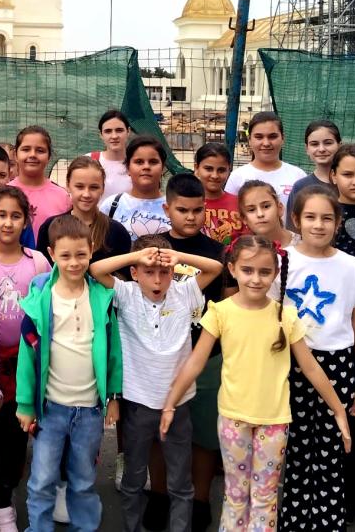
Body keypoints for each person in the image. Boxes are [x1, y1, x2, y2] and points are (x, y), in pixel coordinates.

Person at [159, 234, 351, 532]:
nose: (256, 279)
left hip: (274, 421)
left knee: (265, 497)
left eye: (264, 272)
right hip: (233, 419)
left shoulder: (285, 316)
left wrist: (338, 410)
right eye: (247, 270)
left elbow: (311, 367)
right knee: (235, 495)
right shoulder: (221, 311)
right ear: (232, 269)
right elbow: (196, 361)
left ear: (275, 273)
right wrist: (170, 403)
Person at [91, 234, 223, 532]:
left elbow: (215, 268)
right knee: (134, 478)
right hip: (138, 403)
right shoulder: (126, 293)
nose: (157, 279)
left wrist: (178, 258)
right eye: (148, 271)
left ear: (173, 272)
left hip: (179, 404)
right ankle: (133, 527)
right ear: (135, 272)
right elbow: (96, 269)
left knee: (180, 481)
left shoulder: (185, 291)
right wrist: (137, 256)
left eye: (164, 272)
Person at [278, 185, 355, 532]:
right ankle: (294, 522)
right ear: (296, 220)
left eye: (326, 218)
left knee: (333, 449)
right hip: (290, 365)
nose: (318, 225)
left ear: (338, 222)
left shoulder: (353, 267)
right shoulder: (281, 261)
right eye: (310, 217)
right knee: (297, 448)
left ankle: (329, 522)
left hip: (338, 366)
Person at [17, 215, 122, 532]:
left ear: (91, 250)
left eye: (80, 254)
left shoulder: (101, 298)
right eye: (65, 255)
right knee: (42, 480)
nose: (74, 262)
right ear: (51, 254)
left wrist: (114, 397)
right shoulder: (41, 299)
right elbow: (27, 356)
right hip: (51, 410)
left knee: (84, 480)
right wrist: (25, 404)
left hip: (89, 410)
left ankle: (85, 527)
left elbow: (114, 352)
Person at [0, 187, 51, 532]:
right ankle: (1, 503)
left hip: (27, 363)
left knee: (21, 431)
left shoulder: (38, 262)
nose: (8, 222)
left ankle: (15, 489)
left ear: (26, 221)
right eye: (1, 215)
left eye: (16, 216)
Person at [163, 171, 228, 531]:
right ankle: (160, 494)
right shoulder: (153, 247)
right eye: (182, 210)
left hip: (207, 355)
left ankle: (200, 498)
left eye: (197, 210)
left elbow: (226, 303)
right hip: (161, 356)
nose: (190, 217)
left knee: (204, 434)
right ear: (167, 209)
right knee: (161, 430)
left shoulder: (216, 252)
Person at [37, 156, 130, 264]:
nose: (86, 194)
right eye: (80, 187)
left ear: (103, 189)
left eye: (94, 187)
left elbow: (124, 273)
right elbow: (43, 269)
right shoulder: (49, 227)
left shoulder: (117, 232)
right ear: (68, 186)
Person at [223, 112, 306, 205]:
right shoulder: (237, 177)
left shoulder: (298, 176)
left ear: (283, 138)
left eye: (272, 137)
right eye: (259, 137)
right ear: (249, 140)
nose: (266, 143)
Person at [99, 136, 173, 239]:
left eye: (153, 162)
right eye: (139, 162)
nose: (146, 167)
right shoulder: (111, 206)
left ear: (162, 168)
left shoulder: (174, 206)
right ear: (128, 168)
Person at [10, 126, 70, 231]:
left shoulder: (62, 197)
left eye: (40, 150)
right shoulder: (4, 193)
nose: (32, 155)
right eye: (26, 149)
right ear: (15, 155)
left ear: (49, 156)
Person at [284, 120, 342, 228]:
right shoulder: (300, 186)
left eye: (328, 143)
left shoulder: (352, 182)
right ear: (307, 149)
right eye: (314, 144)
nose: (321, 149)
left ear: (339, 145)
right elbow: (293, 229)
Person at [195, 142, 244, 245]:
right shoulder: (186, 203)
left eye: (221, 170)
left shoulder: (240, 204)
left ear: (229, 170)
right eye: (208, 169)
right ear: (196, 168)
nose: (215, 175)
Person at [237, 180, 293, 258]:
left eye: (266, 206)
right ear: (244, 218)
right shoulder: (241, 254)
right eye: (251, 210)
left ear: (279, 208)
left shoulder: (304, 243)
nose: (260, 214)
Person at [92, 109, 133, 197]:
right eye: (108, 131)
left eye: (119, 130)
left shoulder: (137, 164)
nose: (114, 136)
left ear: (128, 131)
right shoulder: (89, 161)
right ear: (101, 134)